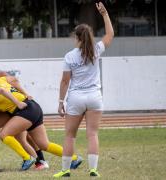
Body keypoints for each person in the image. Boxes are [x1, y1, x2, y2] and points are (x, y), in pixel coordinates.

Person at [0, 76, 83, 171]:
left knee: (4, 134)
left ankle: (27, 158)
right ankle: (74, 158)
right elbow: (13, 79)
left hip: (25, 111)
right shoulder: (0, 80)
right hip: (34, 106)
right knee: (44, 144)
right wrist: (26, 93)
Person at [53, 2, 114, 178]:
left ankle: (65, 170)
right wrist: (104, 14)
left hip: (76, 98)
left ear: (77, 37)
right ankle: (93, 170)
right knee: (92, 134)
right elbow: (110, 34)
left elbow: (65, 81)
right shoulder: (96, 50)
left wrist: (60, 102)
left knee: (70, 136)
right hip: (95, 97)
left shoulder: (70, 56)